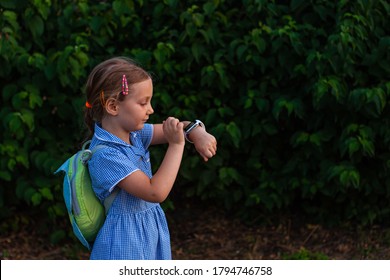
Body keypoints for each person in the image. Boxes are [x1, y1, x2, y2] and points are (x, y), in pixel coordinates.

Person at [83, 57, 217, 260]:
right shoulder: (106, 155)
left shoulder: (135, 135)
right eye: (143, 102)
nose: (151, 109)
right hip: (124, 245)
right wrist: (177, 145)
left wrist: (197, 132)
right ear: (113, 106)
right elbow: (155, 192)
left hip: (147, 236)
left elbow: (179, 128)